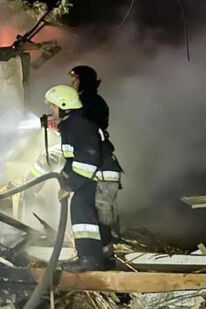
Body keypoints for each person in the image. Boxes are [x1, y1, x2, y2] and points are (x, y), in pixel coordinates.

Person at [44, 85, 120, 272]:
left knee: (81, 210)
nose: (50, 109)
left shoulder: (75, 125)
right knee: (99, 218)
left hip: (98, 177)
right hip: (103, 176)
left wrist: (69, 186)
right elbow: (73, 159)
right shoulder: (76, 123)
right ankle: (105, 258)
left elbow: (87, 162)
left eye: (53, 105)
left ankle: (89, 259)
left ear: (63, 105)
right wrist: (65, 178)